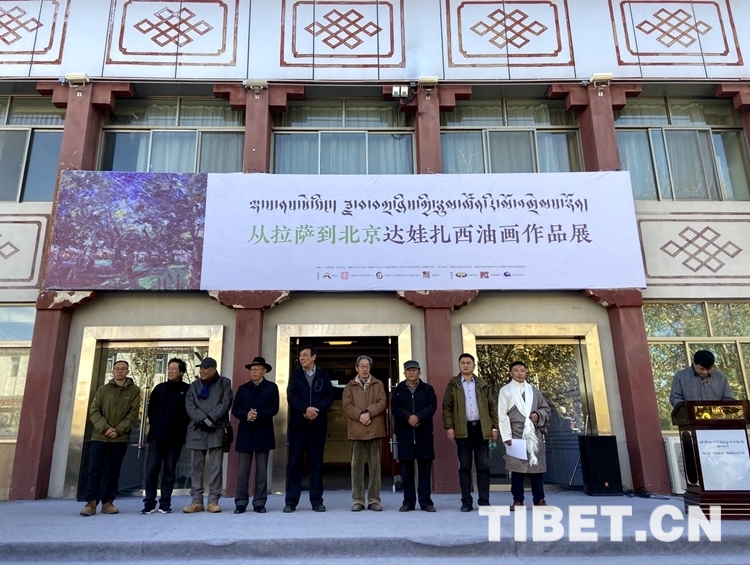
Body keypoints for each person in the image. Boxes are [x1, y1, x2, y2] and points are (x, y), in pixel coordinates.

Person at [80, 360, 141, 516]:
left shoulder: (134, 391)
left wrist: (118, 430)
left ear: (127, 371)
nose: (120, 371)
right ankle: (91, 502)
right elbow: (94, 411)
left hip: (119, 439)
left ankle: (108, 502)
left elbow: (133, 414)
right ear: (112, 371)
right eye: (117, 369)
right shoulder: (103, 390)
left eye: (123, 369)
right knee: (94, 470)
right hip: (99, 437)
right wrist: (105, 428)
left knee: (113, 471)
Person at [442, 352, 498, 512]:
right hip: (463, 430)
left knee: (483, 466)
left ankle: (484, 501)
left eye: (468, 363)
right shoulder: (453, 385)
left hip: (481, 429)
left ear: (474, 366)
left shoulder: (482, 384)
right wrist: (450, 427)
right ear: (459, 366)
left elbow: (492, 407)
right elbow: (447, 407)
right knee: (465, 467)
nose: (465, 365)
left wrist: (494, 427)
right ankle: (466, 501)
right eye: (463, 363)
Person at [284, 345, 334, 513]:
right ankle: (291, 501)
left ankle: (317, 501)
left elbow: (329, 396)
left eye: (305, 355)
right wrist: (305, 409)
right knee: (294, 463)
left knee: (316, 463)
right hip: (298, 425)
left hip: (317, 425)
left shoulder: (323, 375)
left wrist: (315, 410)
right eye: (300, 356)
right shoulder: (296, 374)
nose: (302, 358)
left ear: (314, 357)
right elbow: (291, 396)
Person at [498, 361, 551, 510]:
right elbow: (502, 415)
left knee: (536, 468)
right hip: (515, 432)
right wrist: (506, 436)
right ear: (511, 373)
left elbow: (546, 409)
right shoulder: (505, 390)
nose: (520, 373)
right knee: (517, 469)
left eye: (522, 370)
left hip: (533, 432)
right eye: (516, 370)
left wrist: (537, 415)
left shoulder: (534, 391)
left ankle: (539, 499)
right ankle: (518, 500)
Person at [141, 358, 190, 514]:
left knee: (169, 471)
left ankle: (165, 503)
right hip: (157, 436)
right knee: (152, 470)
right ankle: (149, 503)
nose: (170, 371)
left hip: (175, 438)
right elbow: (151, 410)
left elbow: (188, 414)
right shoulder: (159, 388)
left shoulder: (187, 389)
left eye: (174, 369)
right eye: (169, 368)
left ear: (181, 372)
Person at [184, 357, 233, 514]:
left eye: (205, 369)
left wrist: (211, 419)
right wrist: (202, 420)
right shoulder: (194, 386)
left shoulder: (224, 383)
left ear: (214, 369)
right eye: (201, 369)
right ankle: (196, 501)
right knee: (196, 468)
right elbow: (190, 405)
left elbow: (225, 403)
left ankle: (213, 501)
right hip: (197, 430)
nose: (202, 371)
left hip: (216, 429)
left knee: (216, 467)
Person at [232, 356, 279, 514]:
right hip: (246, 432)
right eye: (252, 369)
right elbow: (235, 409)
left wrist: (258, 415)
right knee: (243, 471)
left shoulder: (271, 387)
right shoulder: (243, 388)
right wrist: (247, 414)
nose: (253, 372)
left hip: (263, 432)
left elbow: (274, 408)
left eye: (257, 369)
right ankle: (240, 502)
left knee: (261, 471)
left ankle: (259, 502)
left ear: (264, 371)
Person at [391, 360, 437, 512]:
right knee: (406, 471)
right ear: (404, 373)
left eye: (414, 370)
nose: (411, 373)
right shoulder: (398, 390)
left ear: (419, 372)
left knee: (425, 470)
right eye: (409, 370)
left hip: (424, 433)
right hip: (405, 433)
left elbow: (432, 406)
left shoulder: (427, 389)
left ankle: (426, 502)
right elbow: (395, 408)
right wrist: (408, 417)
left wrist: (419, 416)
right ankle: (408, 502)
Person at [342, 355, 387, 511]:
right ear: (356, 368)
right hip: (357, 430)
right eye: (362, 366)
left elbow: (382, 402)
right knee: (356, 466)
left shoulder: (378, 384)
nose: (364, 369)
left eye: (367, 366)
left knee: (375, 466)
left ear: (370, 368)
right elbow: (347, 406)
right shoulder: (349, 387)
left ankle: (374, 499)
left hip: (375, 429)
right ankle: (358, 500)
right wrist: (360, 415)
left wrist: (368, 413)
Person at [670, 350, 735, 407]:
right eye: (701, 369)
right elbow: (675, 398)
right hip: (690, 416)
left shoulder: (720, 377)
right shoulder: (680, 377)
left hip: (717, 415)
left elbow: (728, 397)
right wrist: (688, 408)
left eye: (709, 369)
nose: (705, 372)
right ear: (694, 364)